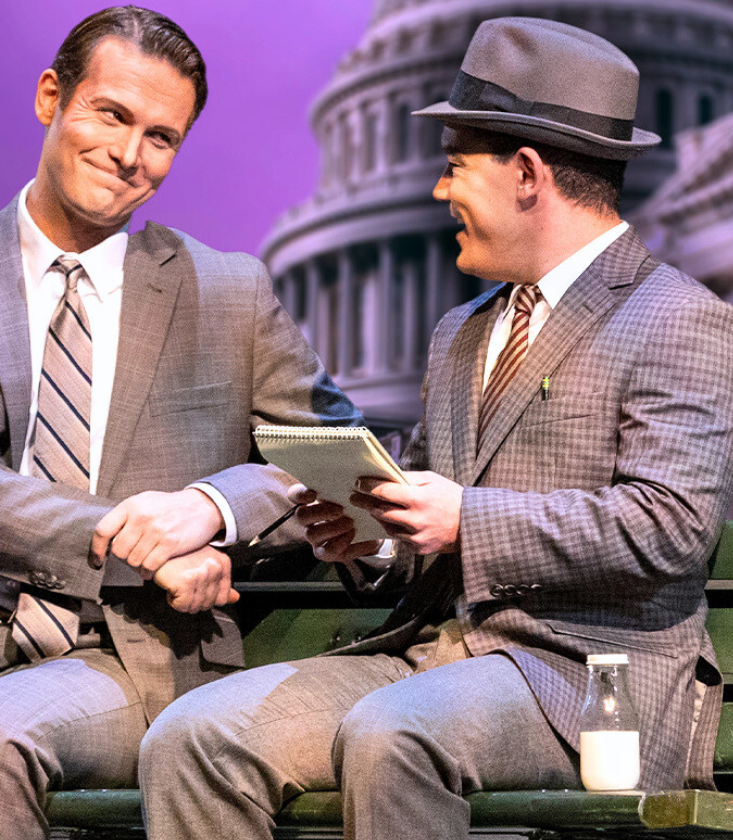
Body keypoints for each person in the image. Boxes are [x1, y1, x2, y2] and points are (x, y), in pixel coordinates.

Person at [139, 17, 733, 840]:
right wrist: (374, 535)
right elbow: (424, 519)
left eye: (455, 168)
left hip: (588, 681)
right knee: (195, 736)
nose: (439, 191)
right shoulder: (462, 330)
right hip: (435, 658)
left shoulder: (679, 318)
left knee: (395, 736)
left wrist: (467, 518)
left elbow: (673, 525)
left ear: (527, 174)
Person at [0, 6, 360, 839]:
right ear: (51, 98)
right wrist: (126, 534)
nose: (129, 156)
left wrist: (217, 507)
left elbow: (345, 473)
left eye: (161, 137)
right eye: (111, 114)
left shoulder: (228, 293)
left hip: (127, 651)